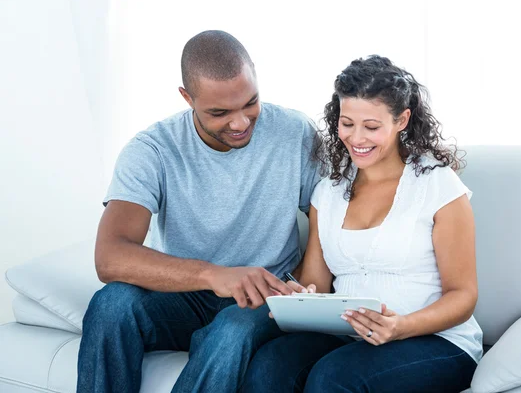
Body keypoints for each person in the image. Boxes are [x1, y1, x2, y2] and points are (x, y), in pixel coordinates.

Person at [76, 30, 321, 393]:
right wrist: (214, 275)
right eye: (220, 112)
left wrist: (299, 285)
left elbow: (328, 216)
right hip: (182, 294)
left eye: (250, 103)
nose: (240, 123)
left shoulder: (294, 132)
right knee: (111, 305)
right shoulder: (153, 150)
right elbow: (109, 258)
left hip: (261, 299)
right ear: (187, 97)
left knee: (232, 331)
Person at [242, 55, 483, 393]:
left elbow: (464, 296)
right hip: (348, 336)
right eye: (347, 123)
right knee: (269, 367)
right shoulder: (328, 193)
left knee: (334, 377)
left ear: (402, 120)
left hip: (435, 340)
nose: (356, 138)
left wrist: (401, 326)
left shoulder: (437, 186)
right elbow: (316, 281)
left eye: (371, 127)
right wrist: (298, 296)